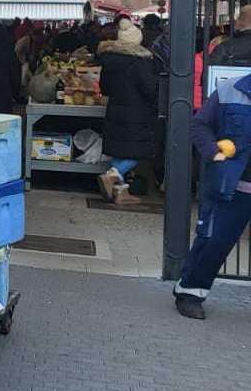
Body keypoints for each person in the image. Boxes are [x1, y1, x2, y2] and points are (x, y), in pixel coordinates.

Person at [173, 68, 251, 320]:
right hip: (234, 186)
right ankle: (190, 292)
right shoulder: (230, 90)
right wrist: (214, 153)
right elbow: (200, 124)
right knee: (214, 240)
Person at [96, 19, 158, 206]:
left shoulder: (109, 60)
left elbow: (104, 88)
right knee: (139, 152)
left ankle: (121, 193)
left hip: (115, 109)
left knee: (119, 151)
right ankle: (112, 175)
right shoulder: (141, 62)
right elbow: (150, 90)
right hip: (136, 113)